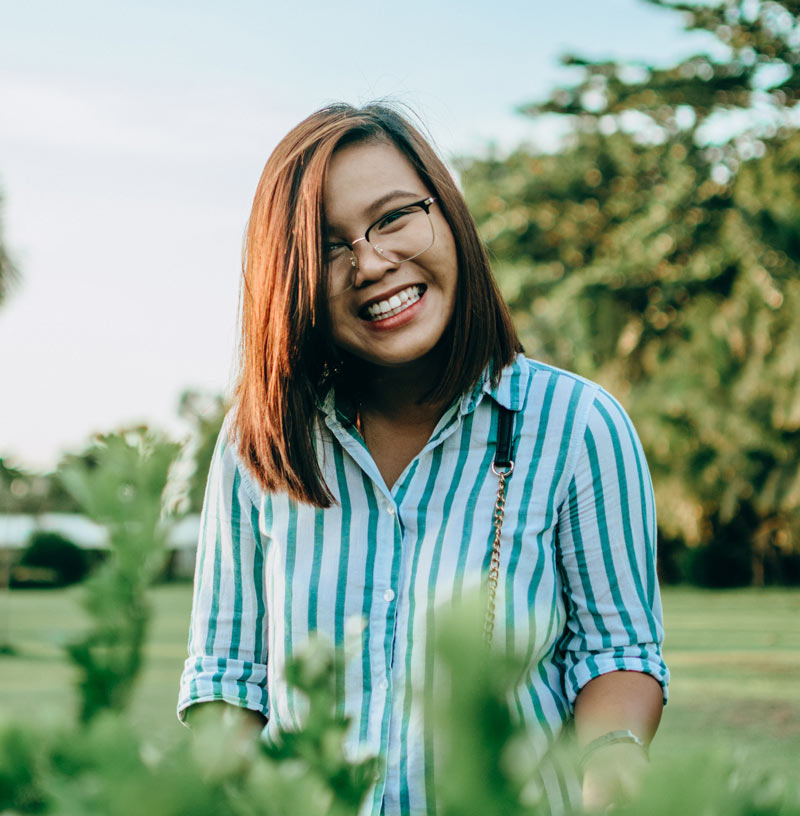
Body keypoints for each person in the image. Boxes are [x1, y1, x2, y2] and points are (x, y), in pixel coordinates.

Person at [178, 102, 669, 815]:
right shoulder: (256, 441)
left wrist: (608, 781)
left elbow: (617, 654)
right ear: (292, 278)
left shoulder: (579, 427)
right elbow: (227, 676)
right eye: (329, 246)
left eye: (394, 217)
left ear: (448, 215)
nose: (371, 262)